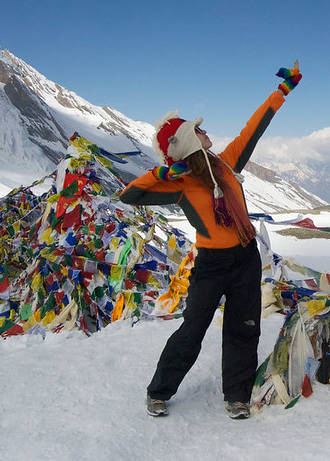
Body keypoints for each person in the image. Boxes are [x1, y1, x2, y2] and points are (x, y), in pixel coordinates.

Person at [119, 62, 302, 419]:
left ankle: (236, 397)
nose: (207, 135)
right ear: (187, 141)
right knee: (192, 331)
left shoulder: (227, 164)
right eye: (199, 132)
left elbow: (255, 127)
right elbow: (130, 195)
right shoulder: (180, 183)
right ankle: (158, 391)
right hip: (211, 266)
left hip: (245, 258)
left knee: (244, 327)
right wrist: (161, 172)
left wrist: (283, 92)